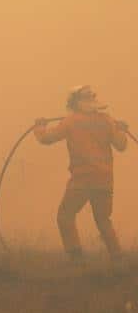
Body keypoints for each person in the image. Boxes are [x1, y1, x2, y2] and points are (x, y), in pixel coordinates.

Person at [34, 85, 128, 262]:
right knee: (103, 220)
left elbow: (47, 139)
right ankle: (117, 258)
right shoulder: (107, 121)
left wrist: (39, 127)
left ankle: (76, 257)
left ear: (74, 103)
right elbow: (121, 145)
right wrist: (121, 129)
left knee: (65, 216)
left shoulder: (71, 121)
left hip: (82, 180)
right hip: (105, 181)